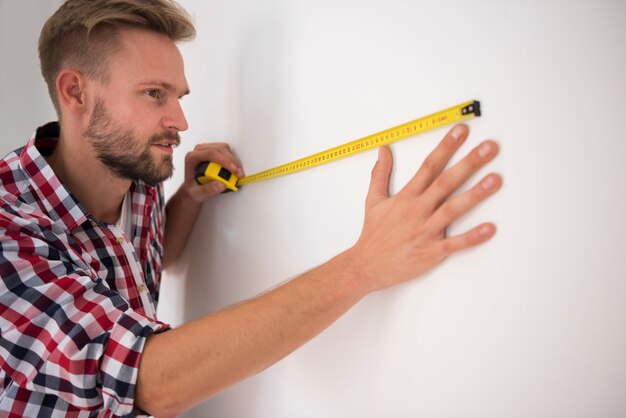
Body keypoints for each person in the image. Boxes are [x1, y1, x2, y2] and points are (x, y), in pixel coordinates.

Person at [0, 0, 502, 416]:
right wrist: (365, 265)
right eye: (154, 94)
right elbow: (151, 380)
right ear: (75, 92)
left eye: (178, 95)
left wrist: (190, 199)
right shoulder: (9, 227)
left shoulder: (132, 172)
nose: (179, 121)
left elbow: (147, 258)